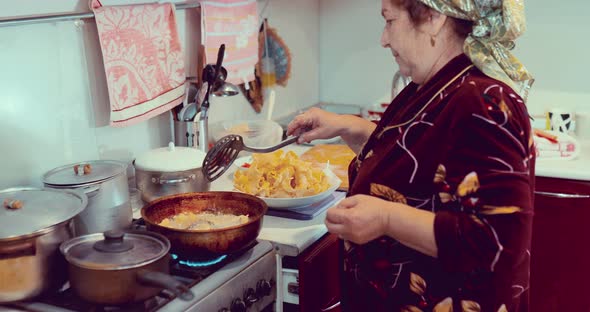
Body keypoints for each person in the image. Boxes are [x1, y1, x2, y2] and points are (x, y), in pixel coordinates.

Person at [287, 0, 535, 311]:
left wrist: (386, 219)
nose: (383, 39)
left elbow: (496, 242)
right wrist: (352, 128)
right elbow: (419, 161)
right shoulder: (435, 85)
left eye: (389, 21)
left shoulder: (483, 101)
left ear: (433, 18)